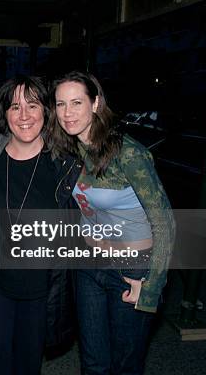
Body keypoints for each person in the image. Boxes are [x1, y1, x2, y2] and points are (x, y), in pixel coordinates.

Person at [47, 70, 175, 375]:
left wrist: (152, 285)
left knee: (125, 365)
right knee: (93, 362)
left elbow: (165, 221)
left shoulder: (127, 153)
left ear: (96, 103)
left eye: (76, 102)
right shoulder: (68, 150)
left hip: (131, 269)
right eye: (60, 104)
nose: (67, 113)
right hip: (89, 266)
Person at [0, 75, 80, 374]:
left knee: (27, 366)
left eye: (32, 105)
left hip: (40, 289)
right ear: (4, 114)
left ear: (46, 110)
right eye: (15, 107)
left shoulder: (66, 164)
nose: (24, 115)